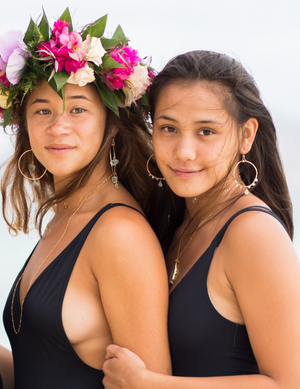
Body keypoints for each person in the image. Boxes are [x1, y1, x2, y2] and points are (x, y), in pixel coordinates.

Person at [102, 50, 300, 388]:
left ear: (246, 135)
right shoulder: (176, 223)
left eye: (206, 132)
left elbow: (288, 383)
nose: (183, 151)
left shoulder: (254, 233)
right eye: (169, 128)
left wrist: (147, 384)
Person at [0, 9, 171, 389]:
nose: (58, 127)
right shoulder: (68, 213)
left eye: (78, 109)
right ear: (23, 124)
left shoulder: (119, 234)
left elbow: (149, 382)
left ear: (111, 126)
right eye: (42, 110)